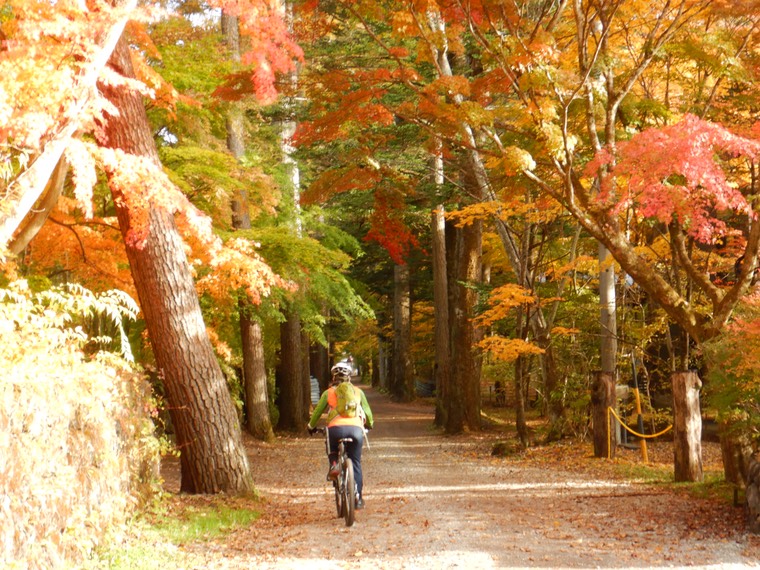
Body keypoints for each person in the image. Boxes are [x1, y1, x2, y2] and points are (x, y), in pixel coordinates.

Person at [308, 362, 374, 509]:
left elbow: (317, 412)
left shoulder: (329, 392)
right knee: (355, 462)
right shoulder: (358, 392)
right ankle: (357, 497)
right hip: (356, 430)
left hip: (335, 429)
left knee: (332, 448)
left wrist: (311, 426)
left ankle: (334, 465)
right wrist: (369, 424)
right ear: (349, 377)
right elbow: (368, 413)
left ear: (334, 377)